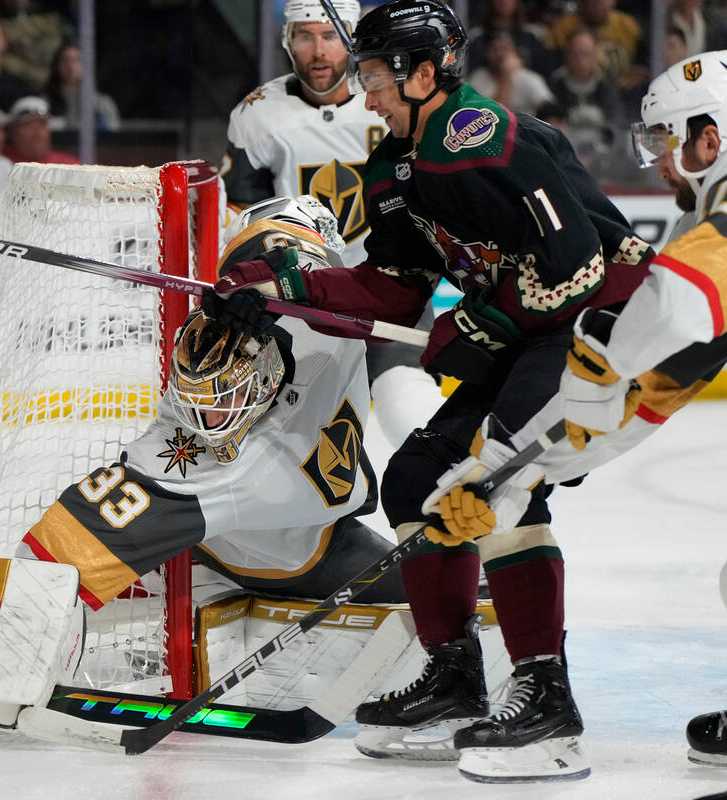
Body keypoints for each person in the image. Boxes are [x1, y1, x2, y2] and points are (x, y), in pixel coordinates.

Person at [211, 0, 654, 782]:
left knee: (500, 484)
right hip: (526, 334)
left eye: (377, 76)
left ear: (424, 74)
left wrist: (483, 324)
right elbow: (393, 287)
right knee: (417, 480)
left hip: (595, 331)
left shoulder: (491, 139)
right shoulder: (396, 167)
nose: (367, 92)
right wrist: (280, 282)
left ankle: (547, 698)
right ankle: (454, 680)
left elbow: (580, 264)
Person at [0, 196, 414, 730]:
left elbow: (289, 253)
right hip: (263, 543)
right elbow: (48, 554)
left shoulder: (321, 318)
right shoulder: (202, 392)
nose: (210, 409)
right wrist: (11, 662)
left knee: (448, 595)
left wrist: (263, 280)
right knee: (67, 548)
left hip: (302, 535)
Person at [556, 49, 727, 798]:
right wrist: (540, 467)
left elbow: (678, 303)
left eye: (665, 140)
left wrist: (609, 355)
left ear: (711, 138)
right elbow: (665, 381)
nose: (658, 160)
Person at [220, 0, 443, 451]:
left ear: (354, 41)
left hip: (388, 287)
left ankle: (450, 474)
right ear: (288, 42)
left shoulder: (392, 102)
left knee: (406, 397)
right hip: (302, 295)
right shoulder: (257, 114)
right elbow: (242, 221)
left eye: (331, 36)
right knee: (295, 436)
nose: (319, 52)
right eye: (305, 36)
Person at [44, 40, 121, 132]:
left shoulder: (101, 103)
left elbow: (114, 136)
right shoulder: (44, 104)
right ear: (56, 66)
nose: (71, 66)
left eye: (77, 60)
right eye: (65, 60)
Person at [2, 95, 80, 164]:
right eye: (28, 125)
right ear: (11, 131)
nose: (38, 133)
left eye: (42, 124)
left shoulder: (68, 164)